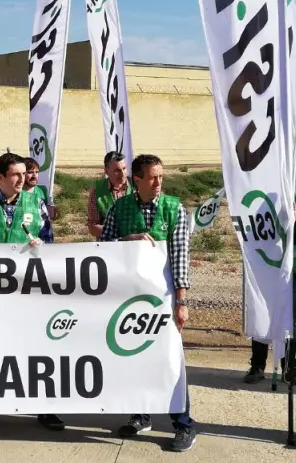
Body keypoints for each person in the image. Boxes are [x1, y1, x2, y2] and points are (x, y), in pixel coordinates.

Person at [101, 153, 197, 453]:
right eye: (153, 177)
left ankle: (183, 424)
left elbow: (181, 256)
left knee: (170, 360)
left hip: (164, 300)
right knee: (134, 357)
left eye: (161, 176)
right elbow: (103, 248)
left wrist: (182, 300)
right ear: (137, 180)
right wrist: (127, 241)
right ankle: (141, 414)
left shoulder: (174, 208)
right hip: (129, 301)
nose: (158, 182)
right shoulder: (119, 208)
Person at [0, 152, 64, 433]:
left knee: (35, 349)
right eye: (16, 175)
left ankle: (44, 407)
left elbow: (49, 241)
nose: (23, 179)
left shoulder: (35, 203)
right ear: (0, 177)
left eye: (25, 174)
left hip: (27, 289)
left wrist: (41, 247)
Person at [87, 151, 129, 240]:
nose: (122, 174)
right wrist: (120, 233)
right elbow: (93, 228)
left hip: (135, 243)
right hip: (108, 244)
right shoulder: (97, 192)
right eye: (117, 171)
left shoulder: (137, 187)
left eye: (124, 168)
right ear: (106, 171)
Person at [21, 155, 57, 222]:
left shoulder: (42, 190)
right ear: (21, 174)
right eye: (30, 172)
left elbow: (52, 215)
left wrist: (53, 211)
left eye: (37, 172)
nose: (34, 175)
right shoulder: (14, 192)